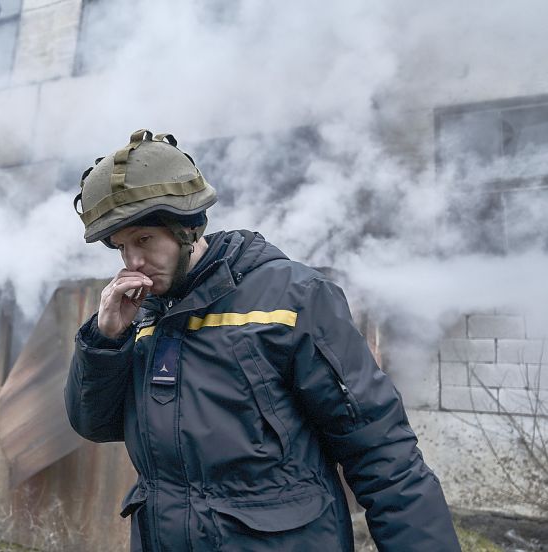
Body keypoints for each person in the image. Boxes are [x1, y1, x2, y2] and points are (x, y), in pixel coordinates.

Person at [65, 129, 461, 551]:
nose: (134, 262)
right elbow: (96, 425)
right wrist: (105, 340)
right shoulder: (141, 313)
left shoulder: (293, 298)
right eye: (122, 248)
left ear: (188, 228)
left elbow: (382, 454)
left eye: (144, 239)